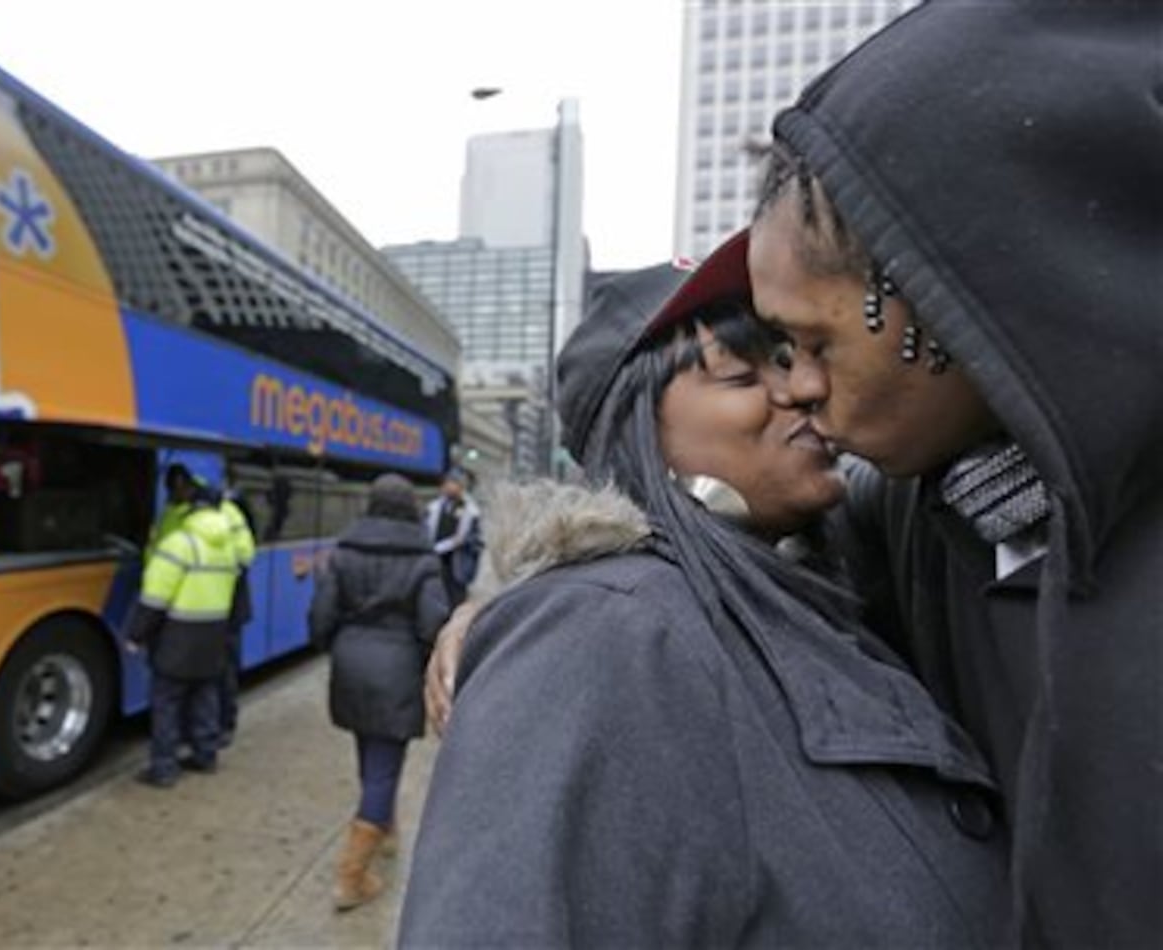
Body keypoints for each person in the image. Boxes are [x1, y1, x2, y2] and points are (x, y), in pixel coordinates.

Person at [399, 254, 1007, 945]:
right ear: (636, 434)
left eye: (793, 356)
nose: (803, 388)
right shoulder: (597, 633)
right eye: (745, 374)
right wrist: (572, 617)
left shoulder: (826, 576)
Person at [742, 3, 1162, 942]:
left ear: (949, 296)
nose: (796, 388)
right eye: (774, 346)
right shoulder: (927, 513)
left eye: (816, 341)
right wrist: (564, 597)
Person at [308, 473, 449, 912]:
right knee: (385, 767)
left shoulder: (345, 551)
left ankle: (382, 827)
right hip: (397, 664)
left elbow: (320, 616)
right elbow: (432, 623)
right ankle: (351, 879)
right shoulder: (423, 560)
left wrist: (339, 646)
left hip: (351, 661)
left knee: (368, 751)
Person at [122, 480, 239, 788]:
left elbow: (155, 598)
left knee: (167, 701)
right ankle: (205, 755)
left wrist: (136, 635)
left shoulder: (179, 542)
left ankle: (163, 768)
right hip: (214, 633)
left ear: (192, 507)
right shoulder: (228, 546)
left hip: (178, 635)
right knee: (205, 695)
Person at [215, 481, 256, 747]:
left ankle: (223, 724)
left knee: (221, 670)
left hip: (220, 607)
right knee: (224, 668)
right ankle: (223, 724)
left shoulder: (226, 516)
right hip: (227, 607)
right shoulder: (235, 516)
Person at [423, 469, 481, 606]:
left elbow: (477, 541)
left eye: (454, 483)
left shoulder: (472, 512)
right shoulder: (433, 508)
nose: (449, 487)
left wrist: (463, 541)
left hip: (457, 567)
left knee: (455, 603)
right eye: (447, 483)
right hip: (435, 562)